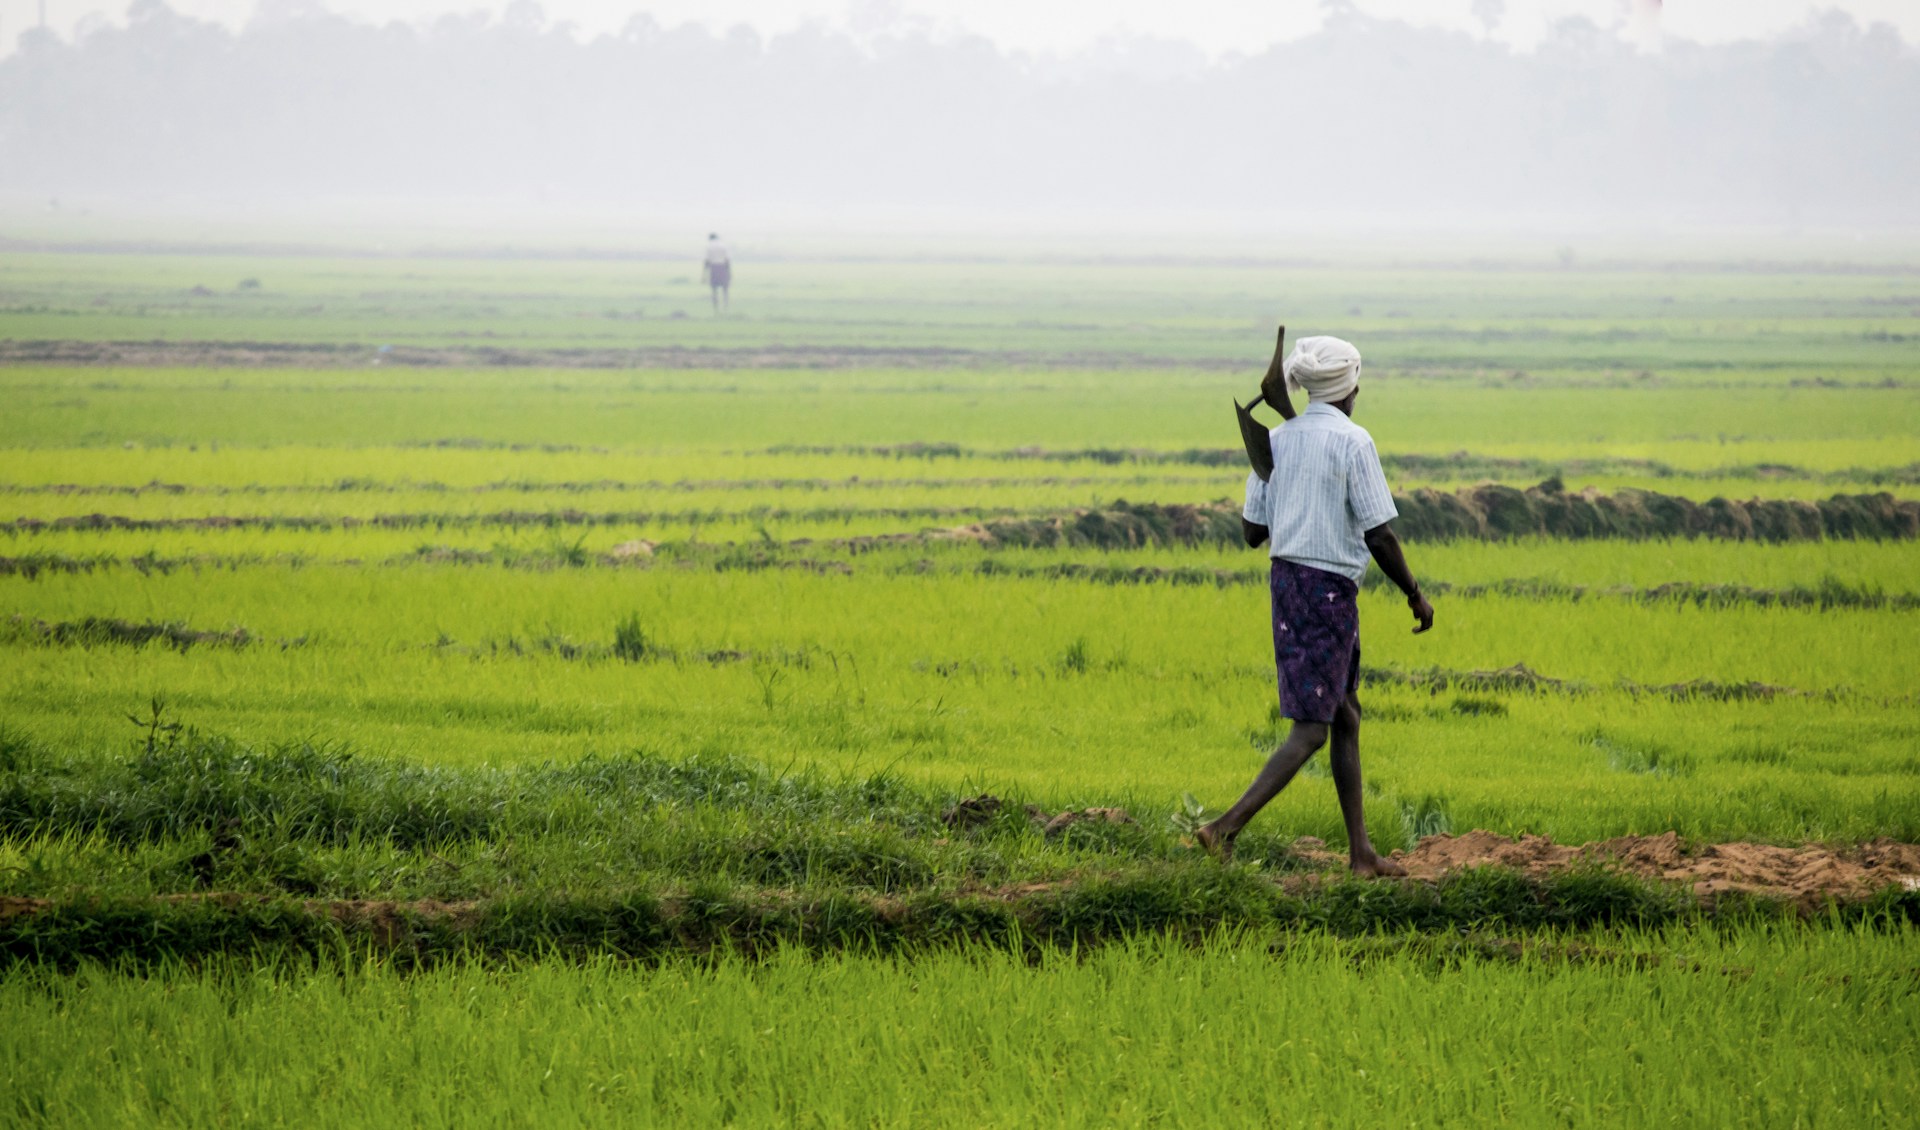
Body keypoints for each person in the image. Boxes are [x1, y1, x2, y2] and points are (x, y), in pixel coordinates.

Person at [1196, 333, 1434, 876]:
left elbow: (1253, 532)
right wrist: (1414, 594)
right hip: (1327, 592)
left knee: (1346, 712)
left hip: (1290, 583)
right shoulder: (1354, 443)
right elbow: (1381, 535)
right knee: (1312, 730)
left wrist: (1282, 482)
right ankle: (1222, 829)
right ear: (1350, 386)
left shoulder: (1276, 440)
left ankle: (1361, 855)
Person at [702, 233, 731, 312]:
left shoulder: (709, 247)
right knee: (725, 290)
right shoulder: (723, 246)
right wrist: (729, 273)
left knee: (714, 290)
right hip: (723, 268)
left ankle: (716, 309)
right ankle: (726, 307)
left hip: (714, 268)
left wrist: (704, 275)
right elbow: (727, 260)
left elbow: (707, 261)